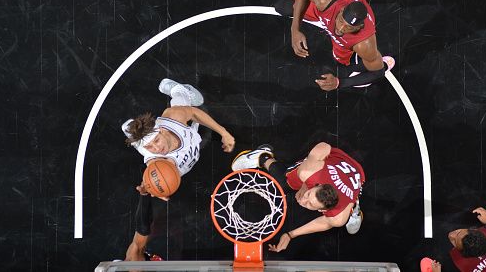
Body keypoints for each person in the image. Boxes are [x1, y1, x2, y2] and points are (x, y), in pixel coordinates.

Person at [123, 78, 236, 261]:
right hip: (179, 158)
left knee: (182, 99)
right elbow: (152, 178)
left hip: (182, 130)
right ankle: (130, 129)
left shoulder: (172, 118)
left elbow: (195, 114)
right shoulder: (155, 161)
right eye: (150, 147)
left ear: (160, 131)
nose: (156, 149)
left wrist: (224, 133)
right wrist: (153, 189)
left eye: (156, 141)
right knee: (132, 135)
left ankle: (176, 88)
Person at [231, 141, 365, 252]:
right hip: (338, 161)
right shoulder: (308, 172)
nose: (303, 200)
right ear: (318, 184)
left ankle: (354, 209)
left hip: (357, 175)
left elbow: (325, 222)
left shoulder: (338, 218)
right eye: (308, 195)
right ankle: (263, 156)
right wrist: (304, 185)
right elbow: (324, 146)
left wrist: (291, 234)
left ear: (322, 210)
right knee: (285, 184)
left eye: (310, 204)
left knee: (341, 219)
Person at [274, 0, 395, 90]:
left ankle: (381, 61)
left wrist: (339, 83)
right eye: (341, 21)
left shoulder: (363, 43)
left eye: (349, 27)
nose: (341, 29)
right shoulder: (326, 0)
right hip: (328, 7)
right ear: (341, 11)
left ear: (359, 27)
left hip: (346, 38)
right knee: (282, 8)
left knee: (342, 65)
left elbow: (378, 73)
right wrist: (295, 30)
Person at [421, 205, 486, 272]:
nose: (451, 235)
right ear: (475, 231)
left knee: (429, 265)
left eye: (454, 241)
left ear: (464, 255)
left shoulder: (456, 265)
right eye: (459, 232)